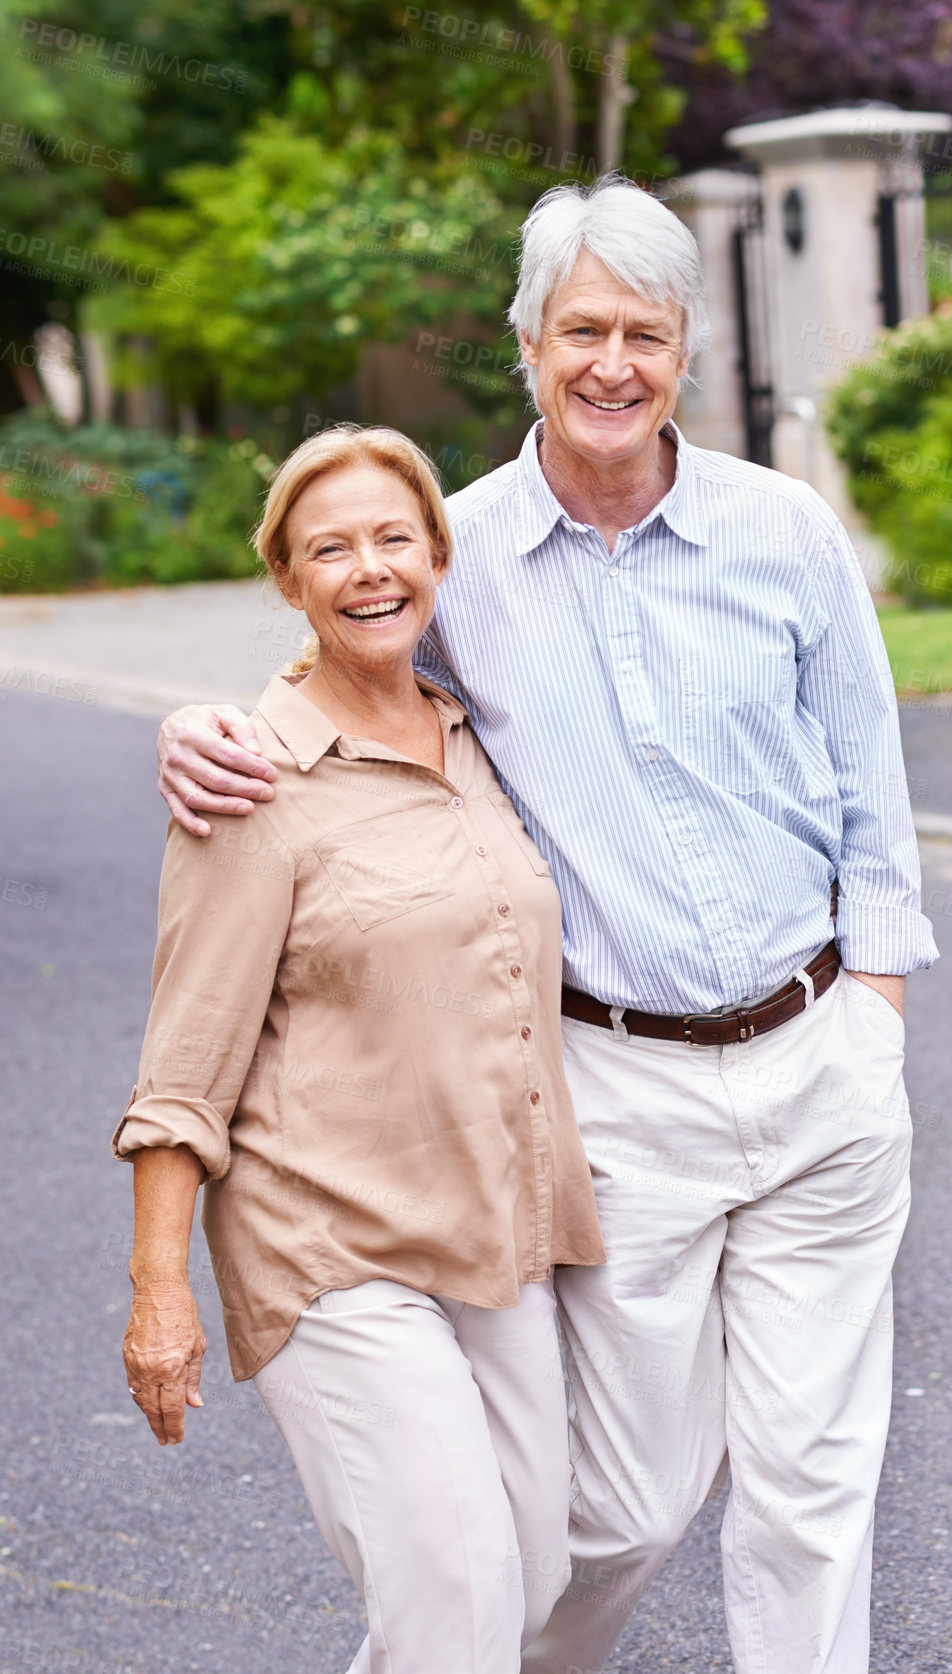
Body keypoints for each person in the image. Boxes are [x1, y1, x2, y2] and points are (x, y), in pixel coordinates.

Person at [156, 176, 939, 1674]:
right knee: (629, 1502)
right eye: (581, 326)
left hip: (823, 1056)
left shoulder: (784, 532)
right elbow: (330, 671)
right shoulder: (459, 555)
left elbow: (871, 800)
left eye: (644, 331)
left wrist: (873, 1028)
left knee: (813, 1484)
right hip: (618, 1093)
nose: (611, 364)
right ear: (525, 341)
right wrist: (194, 725)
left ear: (684, 350)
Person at [117, 424, 605, 1674]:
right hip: (329, 1245)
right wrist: (159, 1293)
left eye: (394, 537)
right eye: (329, 549)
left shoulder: (472, 731)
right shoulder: (250, 784)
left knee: (531, 1574)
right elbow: (184, 1065)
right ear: (288, 580)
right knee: (453, 1604)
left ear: (439, 555)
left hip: (490, 1229)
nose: (368, 569)